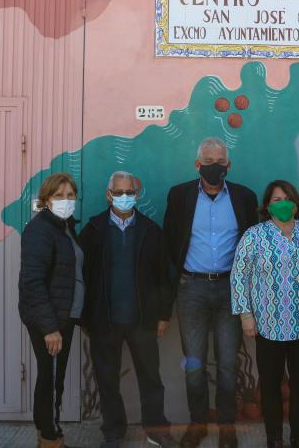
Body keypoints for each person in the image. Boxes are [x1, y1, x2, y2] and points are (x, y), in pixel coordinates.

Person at [163, 137, 258, 448]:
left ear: (228, 166)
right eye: (208, 161)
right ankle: (198, 423)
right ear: (197, 164)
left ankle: (227, 428)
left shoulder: (244, 197)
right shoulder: (179, 196)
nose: (214, 167)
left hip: (231, 288)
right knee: (194, 364)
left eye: (219, 162)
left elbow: (252, 247)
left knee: (229, 364)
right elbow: (169, 244)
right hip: (191, 289)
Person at [80, 171, 177, 448]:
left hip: (143, 320)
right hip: (104, 321)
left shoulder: (151, 231)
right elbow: (82, 276)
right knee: (107, 380)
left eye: (129, 192)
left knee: (151, 379)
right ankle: (113, 432)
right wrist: (86, 316)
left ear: (137, 193)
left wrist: (163, 314)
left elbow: (165, 277)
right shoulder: (93, 230)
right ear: (108, 195)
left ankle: (156, 430)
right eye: (118, 192)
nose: (124, 197)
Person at [231, 180, 299, 448]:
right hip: (268, 324)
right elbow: (239, 276)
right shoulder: (254, 236)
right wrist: (246, 315)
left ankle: (298, 438)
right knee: (270, 385)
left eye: (286, 198)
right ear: (267, 206)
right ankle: (274, 438)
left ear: (297, 203)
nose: (282, 203)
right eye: (275, 200)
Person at [18, 172, 85, 448]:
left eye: (70, 196)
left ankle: (44, 435)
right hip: (52, 320)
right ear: (46, 200)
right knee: (52, 380)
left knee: (51, 377)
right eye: (59, 196)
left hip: (63, 316)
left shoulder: (64, 226)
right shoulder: (40, 230)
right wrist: (50, 328)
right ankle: (51, 439)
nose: (65, 201)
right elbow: (32, 282)